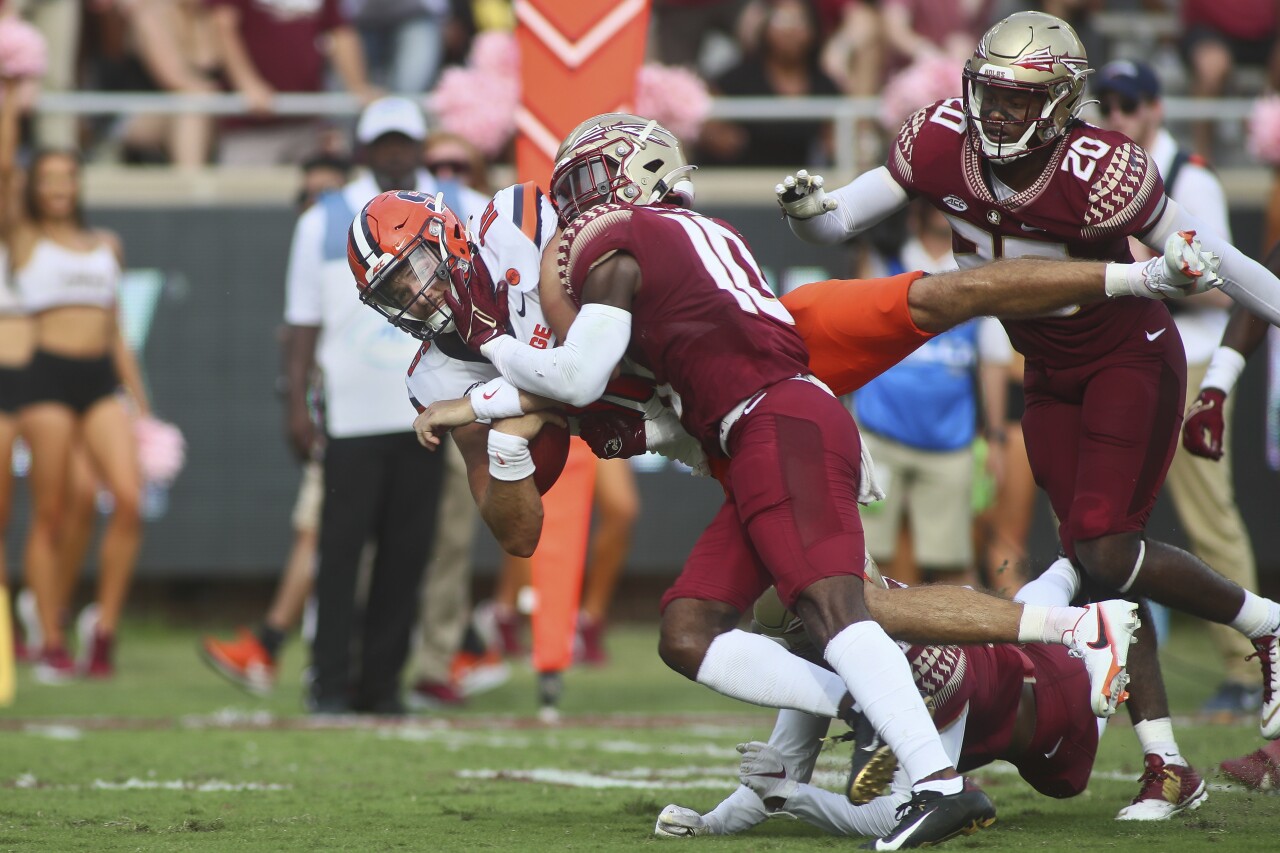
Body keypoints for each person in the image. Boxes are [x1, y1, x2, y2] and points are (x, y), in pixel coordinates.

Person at [414, 114, 1221, 848]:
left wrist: (487, 383)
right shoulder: (625, 260)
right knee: (726, 624)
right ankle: (808, 763)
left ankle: (1037, 663)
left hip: (774, 394)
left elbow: (577, 373)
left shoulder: (605, 246)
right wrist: (510, 410)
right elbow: (610, 417)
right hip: (741, 422)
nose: (559, 248)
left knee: (840, 609)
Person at [778, 10, 1280, 817]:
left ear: (1060, 102)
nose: (998, 111)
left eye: (1019, 97)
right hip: (1044, 367)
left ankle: (1264, 623)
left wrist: (1230, 283)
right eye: (990, 92)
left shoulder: (1100, 166)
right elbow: (841, 218)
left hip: (1127, 357)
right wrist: (809, 212)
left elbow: (1218, 260)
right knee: (1095, 558)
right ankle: (1166, 763)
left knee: (1105, 546)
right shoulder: (940, 139)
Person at [284, 96, 483, 714]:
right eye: (384, 143)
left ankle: (382, 685)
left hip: (428, 411)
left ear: (421, 146)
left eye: (404, 142)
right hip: (350, 414)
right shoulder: (323, 217)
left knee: (408, 556)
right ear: (364, 150)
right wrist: (296, 402)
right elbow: (301, 322)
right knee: (340, 556)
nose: (395, 154)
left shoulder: (460, 205)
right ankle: (329, 682)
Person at [655, 570, 1111, 839]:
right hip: (1010, 654)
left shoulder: (922, 665)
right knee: (1040, 597)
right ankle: (1070, 568)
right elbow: (781, 768)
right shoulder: (843, 627)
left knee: (1064, 781)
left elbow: (908, 812)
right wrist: (712, 823)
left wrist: (791, 797)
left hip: (1055, 718)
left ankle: (1102, 601)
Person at [1094, 58, 1263, 721]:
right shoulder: (1100, 174)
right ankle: (1107, 664)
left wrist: (1151, 272)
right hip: (1121, 358)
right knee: (1100, 521)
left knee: (1208, 515)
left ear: (1156, 108)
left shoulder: (1189, 176)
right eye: (1107, 104)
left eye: (1129, 104)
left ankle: (1251, 665)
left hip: (1189, 361)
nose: (1117, 116)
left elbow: (1227, 285)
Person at [852, 201, 1007, 586]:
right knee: (866, 558)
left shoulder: (978, 271)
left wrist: (996, 437)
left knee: (953, 562)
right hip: (878, 434)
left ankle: (963, 631)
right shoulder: (885, 258)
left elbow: (993, 359)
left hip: (949, 443)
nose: (945, 207)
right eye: (937, 198)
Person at [208, 0, 377, 165]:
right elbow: (222, 25)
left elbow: (339, 31)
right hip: (250, 127)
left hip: (307, 123)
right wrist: (247, 83)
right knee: (248, 183)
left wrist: (358, 85)